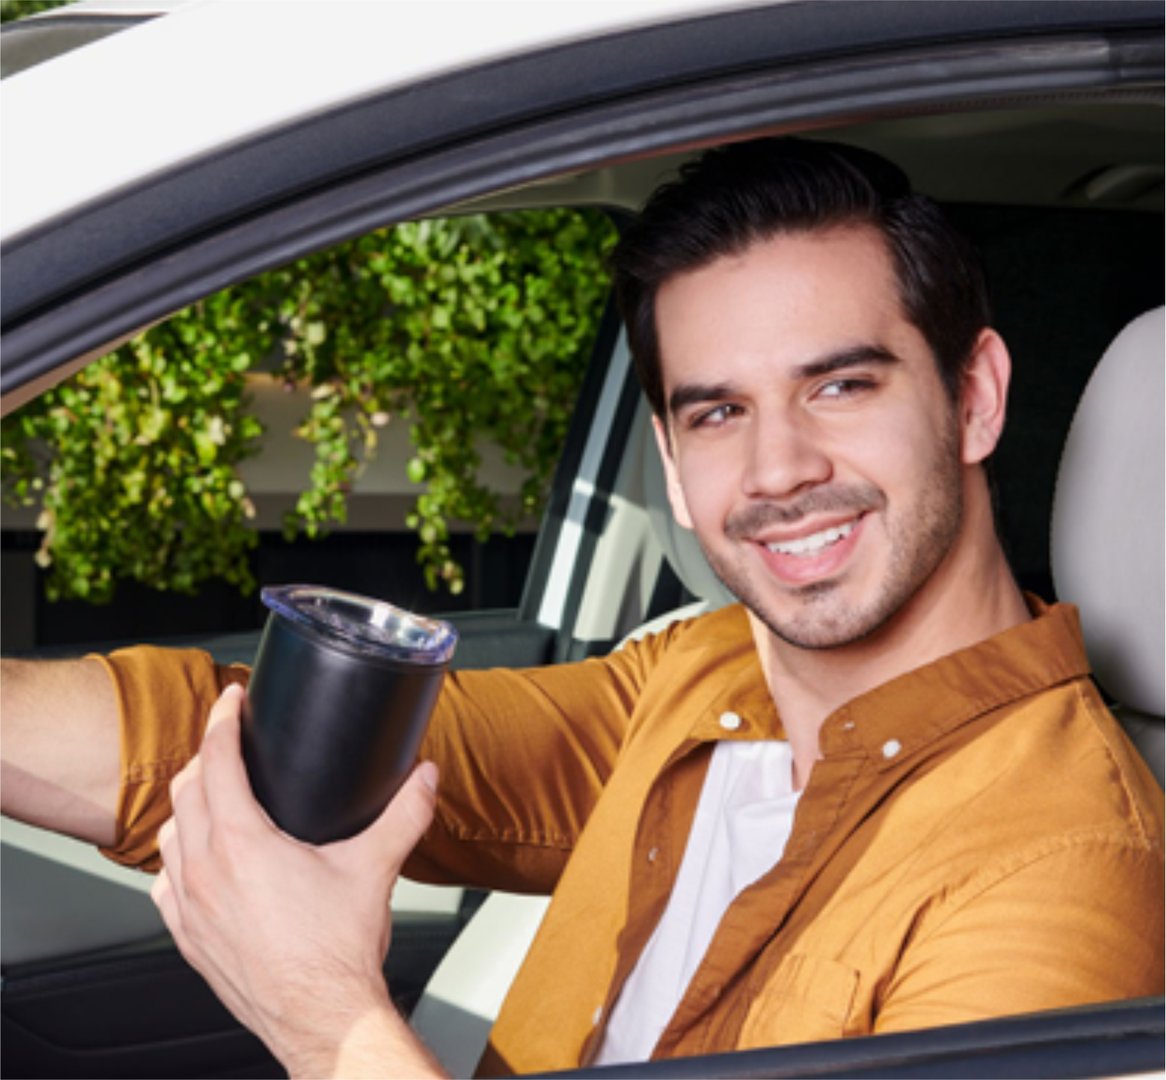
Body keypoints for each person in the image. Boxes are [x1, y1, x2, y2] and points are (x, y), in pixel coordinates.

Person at [2, 138, 1162, 1079]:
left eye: (839, 385)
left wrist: (328, 1025)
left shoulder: (1061, 863)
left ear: (972, 399)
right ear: (666, 456)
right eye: (716, 414)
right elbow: (269, 740)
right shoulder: (697, 679)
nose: (775, 470)